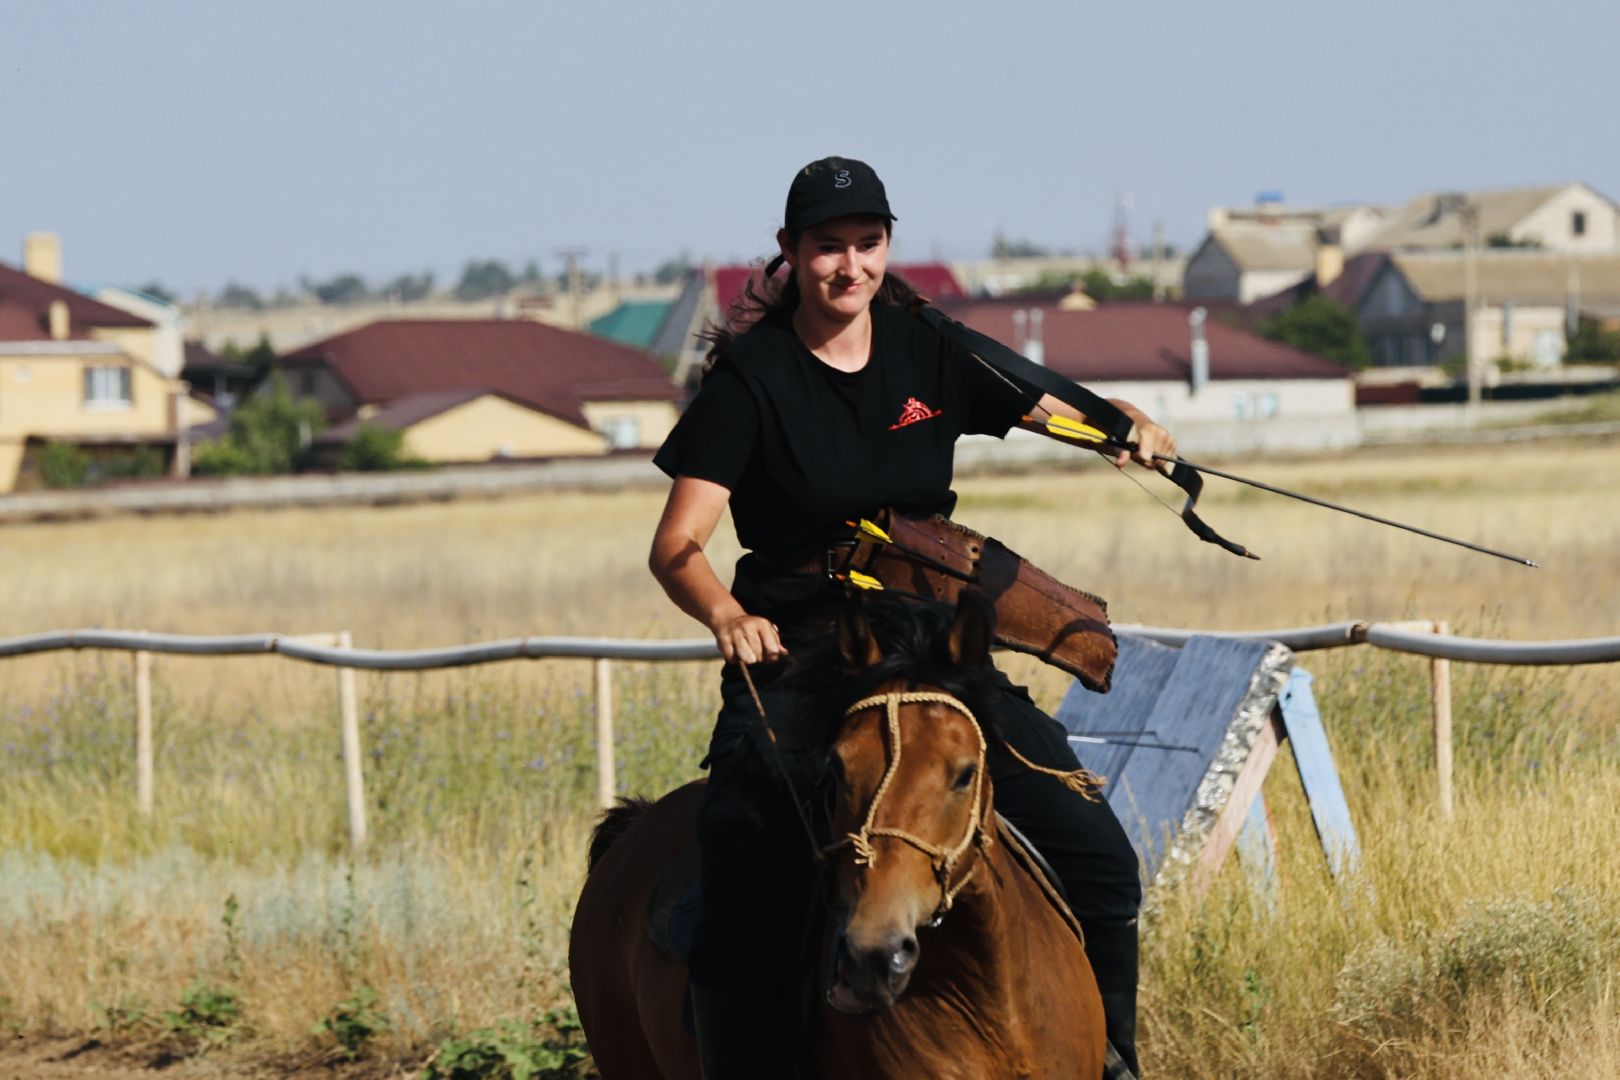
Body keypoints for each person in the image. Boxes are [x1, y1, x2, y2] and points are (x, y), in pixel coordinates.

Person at [650, 156, 1175, 1079]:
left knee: (1096, 849)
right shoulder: (752, 380)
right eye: (827, 248)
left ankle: (1117, 1058)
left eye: (867, 245)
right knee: (742, 862)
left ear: (888, 246)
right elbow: (678, 547)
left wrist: (1118, 422)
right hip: (801, 651)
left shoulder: (926, 347)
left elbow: (1043, 402)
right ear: (789, 253)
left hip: (930, 639)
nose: (848, 267)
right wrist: (726, 615)